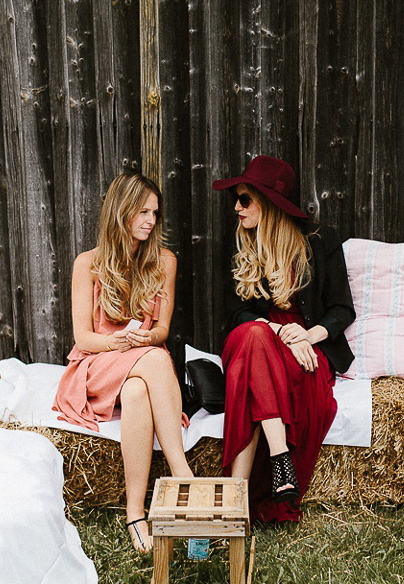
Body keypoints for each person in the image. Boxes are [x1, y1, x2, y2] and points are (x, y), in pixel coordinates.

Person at [53, 171, 192, 552]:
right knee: (153, 361)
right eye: (142, 211)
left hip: (141, 364)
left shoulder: (163, 261)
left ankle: (134, 513)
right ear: (121, 211)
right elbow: (83, 337)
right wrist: (118, 341)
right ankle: (184, 476)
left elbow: (162, 330)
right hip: (99, 362)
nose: (150, 220)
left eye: (154, 213)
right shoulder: (89, 263)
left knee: (137, 390)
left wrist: (147, 337)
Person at [212, 155, 356, 523]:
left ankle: (234, 501)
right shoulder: (242, 245)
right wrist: (275, 329)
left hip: (304, 343)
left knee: (251, 369)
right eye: (237, 199)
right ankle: (281, 459)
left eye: (245, 200)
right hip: (254, 337)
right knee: (255, 335)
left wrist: (306, 335)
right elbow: (236, 314)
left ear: (270, 204)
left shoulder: (320, 241)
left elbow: (342, 310)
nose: (237, 208)